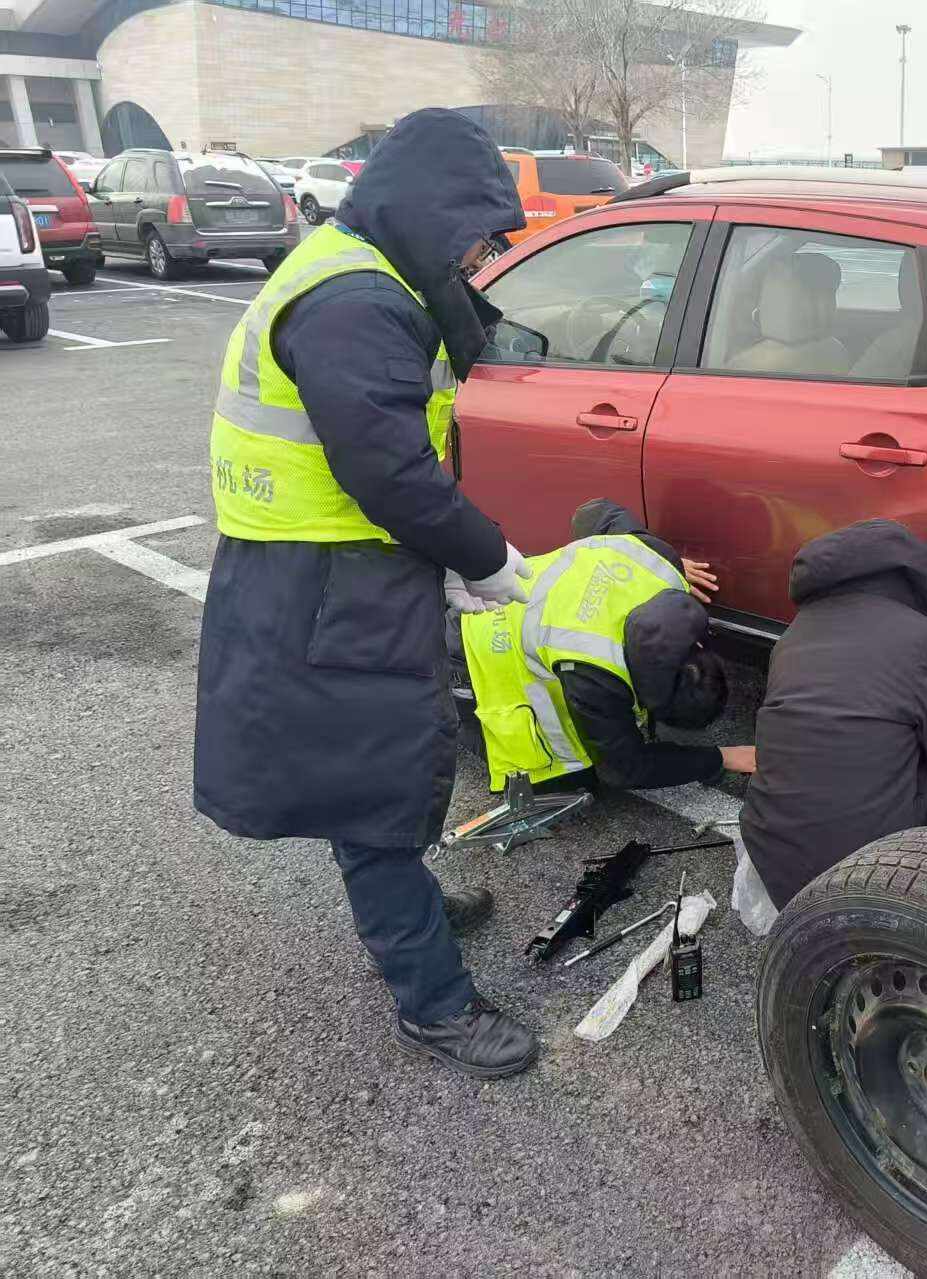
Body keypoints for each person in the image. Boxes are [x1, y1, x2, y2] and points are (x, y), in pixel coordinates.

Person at [194, 109, 540, 1080]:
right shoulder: (355, 298)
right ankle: (432, 1000)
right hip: (321, 580)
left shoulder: (363, 267)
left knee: (370, 777)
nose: (478, 255)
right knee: (376, 780)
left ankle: (408, 914)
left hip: (333, 569)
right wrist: (481, 555)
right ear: (428, 210)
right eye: (473, 232)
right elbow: (385, 469)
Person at [740, 519, 927, 907]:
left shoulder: (790, 639)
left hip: (776, 862)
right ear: (910, 575)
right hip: (876, 872)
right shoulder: (921, 636)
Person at [449, 498, 755, 792]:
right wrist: (720, 757)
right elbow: (624, 769)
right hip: (469, 657)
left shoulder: (659, 562)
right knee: (574, 776)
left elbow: (593, 511)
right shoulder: (596, 674)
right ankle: (443, 718)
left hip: (492, 602)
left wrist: (674, 562)